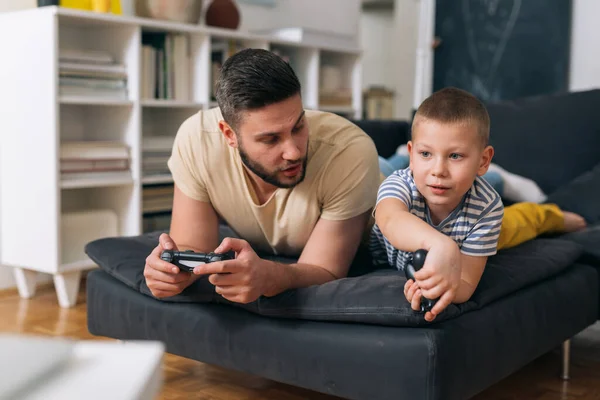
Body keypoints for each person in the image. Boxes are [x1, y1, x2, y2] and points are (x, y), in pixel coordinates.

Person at [143, 48, 382, 302]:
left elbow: (326, 269)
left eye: (299, 125)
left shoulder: (351, 153)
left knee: (397, 168)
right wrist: (171, 273)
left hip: (373, 190)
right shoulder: (197, 140)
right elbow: (194, 248)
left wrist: (271, 277)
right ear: (229, 135)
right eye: (270, 139)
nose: (293, 152)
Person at [369, 87, 587, 322]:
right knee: (380, 167)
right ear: (413, 155)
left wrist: (443, 285)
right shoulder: (401, 183)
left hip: (470, 213)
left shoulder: (487, 207)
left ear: (483, 160)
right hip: (432, 193)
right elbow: (390, 218)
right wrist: (442, 246)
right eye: (425, 154)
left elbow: (465, 284)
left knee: (519, 222)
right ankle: (421, 158)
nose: (438, 170)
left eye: (455, 156)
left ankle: (551, 214)